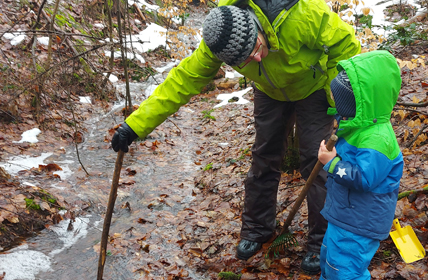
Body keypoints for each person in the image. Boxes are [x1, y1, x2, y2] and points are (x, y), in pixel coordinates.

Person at [112, 0, 360, 274]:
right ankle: (257, 230)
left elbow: (346, 45)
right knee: (263, 157)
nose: (255, 58)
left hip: (314, 86)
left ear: (256, 26)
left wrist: (339, 96)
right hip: (269, 90)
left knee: (318, 163)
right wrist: (134, 126)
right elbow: (182, 81)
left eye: (255, 47)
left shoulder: (302, 14)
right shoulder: (218, 40)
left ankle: (320, 243)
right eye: (244, 59)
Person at [316, 50, 404, 279]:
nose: (337, 105)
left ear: (363, 102)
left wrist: (332, 163)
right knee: (329, 261)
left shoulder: (377, 140)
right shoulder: (357, 126)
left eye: (342, 100)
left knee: (344, 270)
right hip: (344, 215)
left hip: (359, 222)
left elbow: (364, 179)